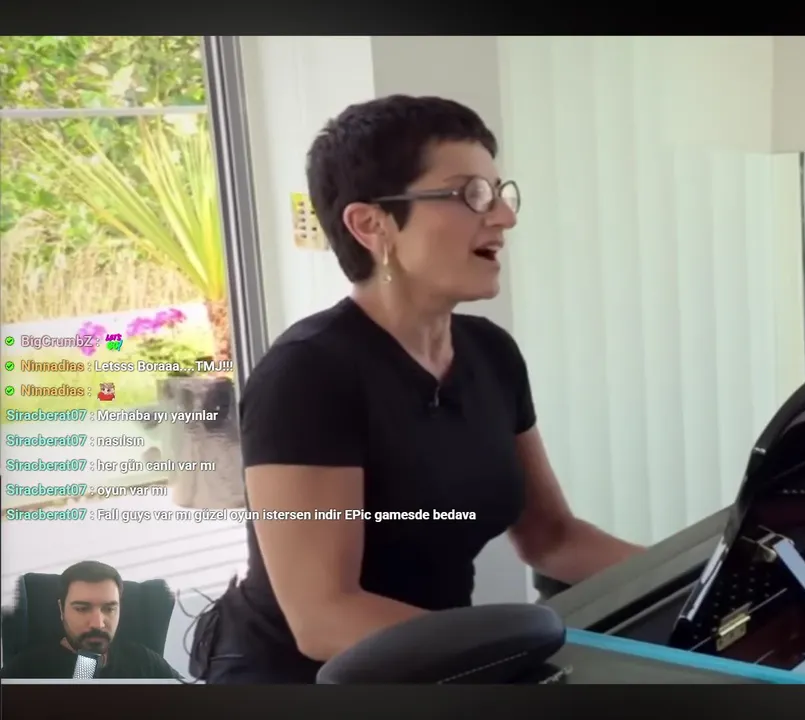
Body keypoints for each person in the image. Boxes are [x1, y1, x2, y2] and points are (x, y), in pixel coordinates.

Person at [196, 95, 644, 684]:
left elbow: (551, 537)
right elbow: (324, 616)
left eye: (499, 192)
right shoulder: (305, 376)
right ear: (371, 224)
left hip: (444, 660)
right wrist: (512, 662)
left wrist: (711, 572)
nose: (503, 217)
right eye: (470, 195)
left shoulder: (491, 353)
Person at [0, 561, 180, 679]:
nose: (98, 624)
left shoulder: (145, 662)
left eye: (109, 608)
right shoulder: (26, 669)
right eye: (82, 609)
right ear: (62, 610)